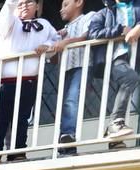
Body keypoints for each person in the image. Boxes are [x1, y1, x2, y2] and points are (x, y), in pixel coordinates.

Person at [0, 0, 59, 156]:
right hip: (5, 82)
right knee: (1, 118)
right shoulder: (12, 21)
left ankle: (18, 151)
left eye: (29, 2)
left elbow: (56, 40)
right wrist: (12, 3)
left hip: (28, 81)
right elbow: (4, 18)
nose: (23, 5)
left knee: (22, 118)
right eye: (20, 2)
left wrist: (47, 46)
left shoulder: (44, 24)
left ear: (37, 6)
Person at [86, 0, 140, 144]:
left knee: (126, 86)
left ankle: (114, 139)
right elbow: (93, 33)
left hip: (135, 55)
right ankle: (115, 123)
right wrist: (119, 29)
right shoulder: (103, 13)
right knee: (130, 79)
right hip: (114, 56)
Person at [50, 0, 95, 153]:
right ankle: (65, 145)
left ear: (79, 2)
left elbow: (87, 35)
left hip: (81, 66)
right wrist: (55, 46)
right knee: (65, 106)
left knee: (72, 101)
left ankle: (68, 134)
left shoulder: (88, 17)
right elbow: (53, 59)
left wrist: (67, 41)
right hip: (65, 70)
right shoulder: (64, 30)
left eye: (65, 5)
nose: (61, 10)